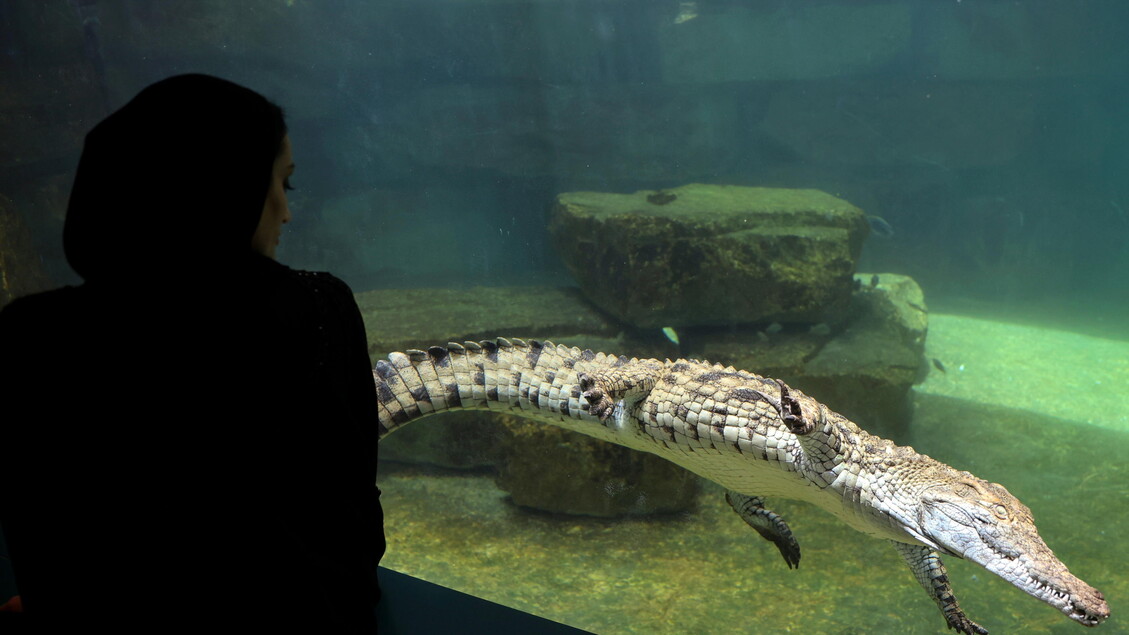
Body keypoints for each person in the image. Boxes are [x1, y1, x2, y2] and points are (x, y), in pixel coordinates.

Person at [0, 74, 384, 633]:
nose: (286, 211)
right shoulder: (319, 310)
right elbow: (353, 532)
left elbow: (41, 530)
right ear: (231, 186)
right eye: (283, 185)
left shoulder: (27, 334)